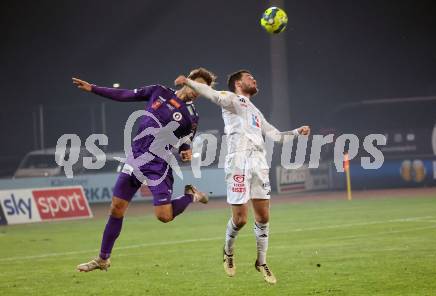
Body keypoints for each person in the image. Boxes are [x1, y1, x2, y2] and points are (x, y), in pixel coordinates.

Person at [72, 67, 216, 272]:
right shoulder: (159, 91)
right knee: (116, 208)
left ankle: (191, 195)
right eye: (196, 85)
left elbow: (186, 143)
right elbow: (126, 94)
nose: (196, 91)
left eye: (202, 89)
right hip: (136, 158)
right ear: (188, 80)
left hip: (159, 165)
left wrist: (186, 151)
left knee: (164, 216)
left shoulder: (191, 117)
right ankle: (103, 259)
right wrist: (94, 89)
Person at [175, 70, 310, 284]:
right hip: (238, 161)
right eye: (249, 77)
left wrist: (295, 132)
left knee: (264, 217)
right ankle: (228, 252)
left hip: (259, 162)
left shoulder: (255, 111)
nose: (254, 79)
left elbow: (275, 135)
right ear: (238, 83)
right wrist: (189, 82)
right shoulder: (231, 99)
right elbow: (210, 94)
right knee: (240, 220)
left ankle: (261, 261)